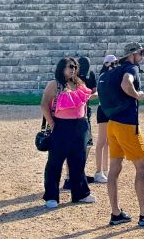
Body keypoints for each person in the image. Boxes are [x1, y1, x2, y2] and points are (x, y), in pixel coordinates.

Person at [104, 41, 144, 228]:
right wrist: (137, 94)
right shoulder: (131, 68)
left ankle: (116, 214)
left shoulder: (113, 69)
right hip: (126, 125)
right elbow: (126, 83)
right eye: (141, 53)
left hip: (112, 123)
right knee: (142, 167)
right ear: (133, 55)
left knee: (114, 169)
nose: (142, 57)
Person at [40, 56, 96, 208]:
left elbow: (87, 98)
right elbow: (44, 104)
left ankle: (80, 193)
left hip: (80, 125)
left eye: (74, 66)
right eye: (69, 66)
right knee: (55, 162)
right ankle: (51, 196)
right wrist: (52, 123)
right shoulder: (54, 84)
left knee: (78, 160)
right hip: (61, 126)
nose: (72, 69)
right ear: (61, 68)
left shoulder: (79, 83)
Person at [63, 56, 98, 191]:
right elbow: (90, 93)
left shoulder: (85, 77)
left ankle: (77, 174)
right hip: (76, 115)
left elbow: (91, 91)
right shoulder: (73, 79)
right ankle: (69, 177)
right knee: (76, 147)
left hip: (83, 113)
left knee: (86, 146)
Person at [92, 54, 117, 183]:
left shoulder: (114, 76)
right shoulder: (103, 77)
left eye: (115, 63)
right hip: (104, 109)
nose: (114, 66)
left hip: (112, 110)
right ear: (106, 64)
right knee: (101, 141)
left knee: (109, 141)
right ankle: (98, 171)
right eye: (111, 63)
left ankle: (105, 169)